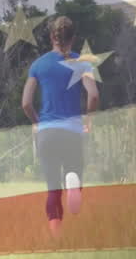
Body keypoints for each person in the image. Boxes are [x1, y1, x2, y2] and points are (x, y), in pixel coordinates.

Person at [21, 16, 99, 237]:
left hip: (47, 133)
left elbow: (26, 103)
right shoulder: (82, 63)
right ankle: (74, 184)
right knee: (74, 172)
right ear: (73, 38)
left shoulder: (38, 65)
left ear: (51, 37)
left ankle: (57, 236)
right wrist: (88, 119)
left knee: (52, 188)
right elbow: (93, 95)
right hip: (72, 132)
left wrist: (38, 123)